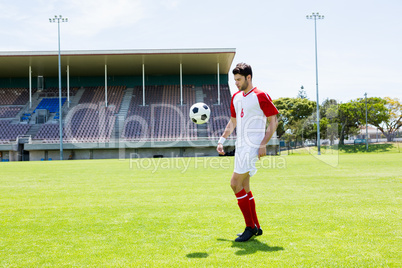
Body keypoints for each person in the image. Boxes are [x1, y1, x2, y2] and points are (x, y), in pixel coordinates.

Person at [217, 62, 279, 242]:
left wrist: (263, 144)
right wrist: (222, 140)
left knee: (234, 183)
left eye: (238, 79)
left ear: (248, 78)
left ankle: (250, 227)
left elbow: (273, 121)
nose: (235, 83)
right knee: (244, 187)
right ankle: (256, 227)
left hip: (252, 146)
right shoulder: (235, 97)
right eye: (234, 79)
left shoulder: (261, 95)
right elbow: (232, 122)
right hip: (240, 146)